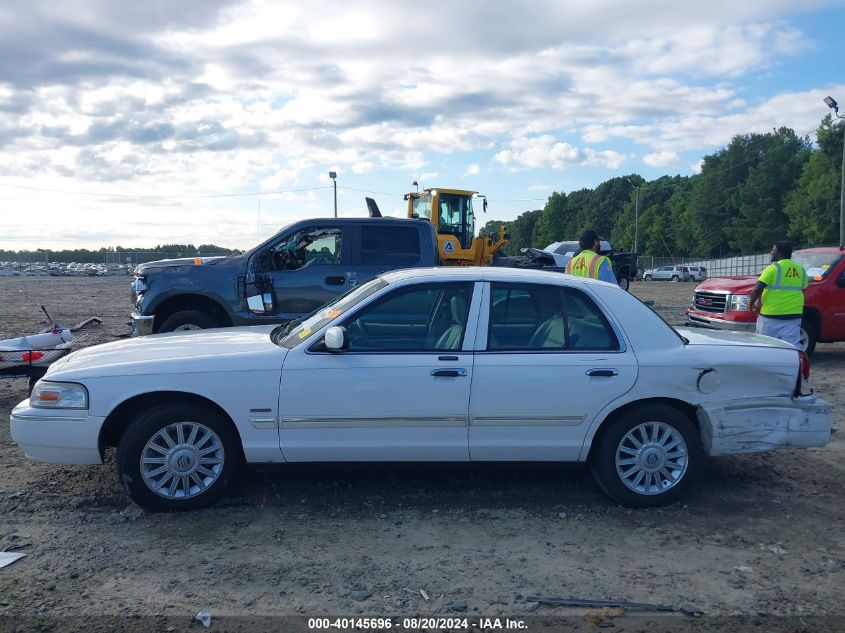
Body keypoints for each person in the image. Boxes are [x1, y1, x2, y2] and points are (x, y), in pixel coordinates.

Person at [749, 240, 808, 347]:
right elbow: (802, 290)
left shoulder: (773, 268)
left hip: (771, 316)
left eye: (773, 250)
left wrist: (751, 303)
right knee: (791, 348)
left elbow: (757, 289)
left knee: (765, 347)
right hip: (793, 317)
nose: (771, 252)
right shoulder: (801, 270)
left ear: (780, 254)